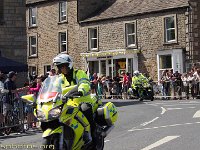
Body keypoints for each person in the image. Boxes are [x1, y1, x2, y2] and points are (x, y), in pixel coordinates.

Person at [53, 53, 93, 143]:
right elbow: (54, 89)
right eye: (60, 67)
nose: (62, 69)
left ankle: (91, 134)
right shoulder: (60, 78)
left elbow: (84, 83)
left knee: (85, 110)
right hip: (67, 103)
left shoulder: (79, 73)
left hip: (82, 100)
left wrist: (81, 90)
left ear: (69, 65)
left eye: (63, 66)